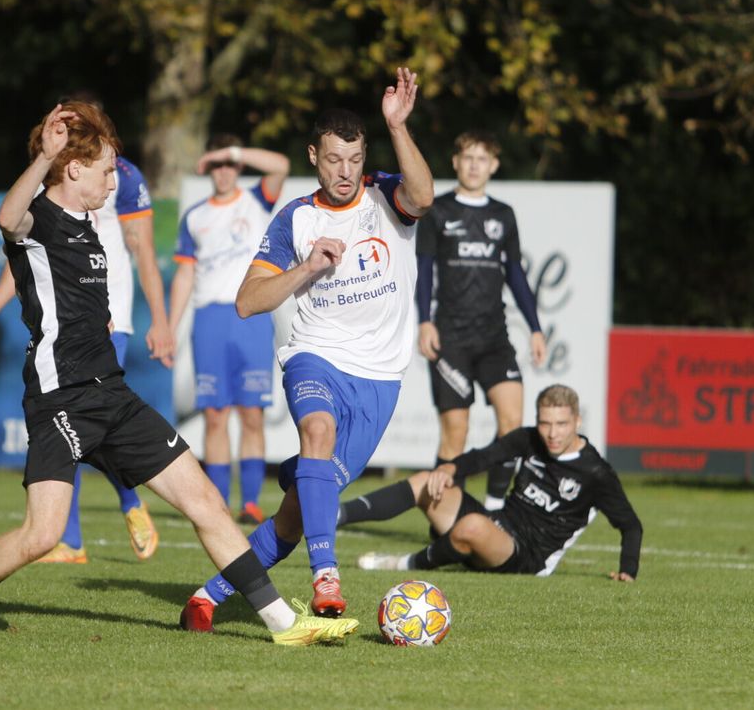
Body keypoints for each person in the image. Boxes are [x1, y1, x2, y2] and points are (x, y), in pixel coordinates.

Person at [0, 102, 359, 645]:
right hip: (62, 400)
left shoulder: (89, 225)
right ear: (72, 169)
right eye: (106, 170)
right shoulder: (39, 218)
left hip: (114, 394)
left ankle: (284, 626)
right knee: (43, 534)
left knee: (205, 502)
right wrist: (44, 156)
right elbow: (8, 220)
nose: (115, 180)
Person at [180, 67, 434, 632]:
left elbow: (424, 195)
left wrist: (398, 127)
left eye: (354, 158)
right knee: (315, 432)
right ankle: (327, 577)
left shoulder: (385, 195)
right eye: (334, 159)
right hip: (313, 355)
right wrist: (307, 267)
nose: (346, 172)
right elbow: (247, 302)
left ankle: (209, 595)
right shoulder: (294, 218)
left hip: (379, 378)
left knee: (296, 514)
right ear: (313, 157)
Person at [0, 93, 167, 565]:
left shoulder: (122, 175)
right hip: (67, 313)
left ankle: (129, 499)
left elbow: (142, 251)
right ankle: (70, 540)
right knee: (70, 429)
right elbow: (22, 255)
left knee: (98, 419)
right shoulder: (50, 185)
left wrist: (159, 319)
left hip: (110, 315)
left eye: (76, 120)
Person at [347, 384, 643, 580]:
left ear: (577, 422)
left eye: (561, 424)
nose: (552, 433)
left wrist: (627, 571)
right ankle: (333, 514)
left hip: (527, 556)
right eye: (545, 423)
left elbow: (630, 525)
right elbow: (484, 457)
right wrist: (450, 468)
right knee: (427, 481)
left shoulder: (596, 472)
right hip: (497, 522)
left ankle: (403, 564)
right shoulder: (528, 439)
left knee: (472, 525)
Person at [416, 131, 546, 509]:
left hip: (494, 338)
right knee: (455, 433)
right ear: (455, 162)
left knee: (512, 425)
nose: (474, 165)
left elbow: (516, 276)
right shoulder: (437, 211)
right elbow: (424, 271)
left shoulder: (502, 215)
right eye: (467, 157)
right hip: (451, 339)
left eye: (482, 158)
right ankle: (443, 518)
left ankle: (493, 509)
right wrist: (425, 320)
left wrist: (535, 327)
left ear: (494, 165)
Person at [168, 134, 290, 525]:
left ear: (237, 166)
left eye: (230, 164)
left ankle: (250, 502)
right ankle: (217, 502)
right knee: (215, 416)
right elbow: (185, 275)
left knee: (251, 414)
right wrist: (168, 327)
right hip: (210, 321)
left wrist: (230, 151)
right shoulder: (196, 217)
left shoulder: (256, 199)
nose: (224, 171)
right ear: (210, 172)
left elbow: (281, 165)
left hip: (249, 317)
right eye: (218, 165)